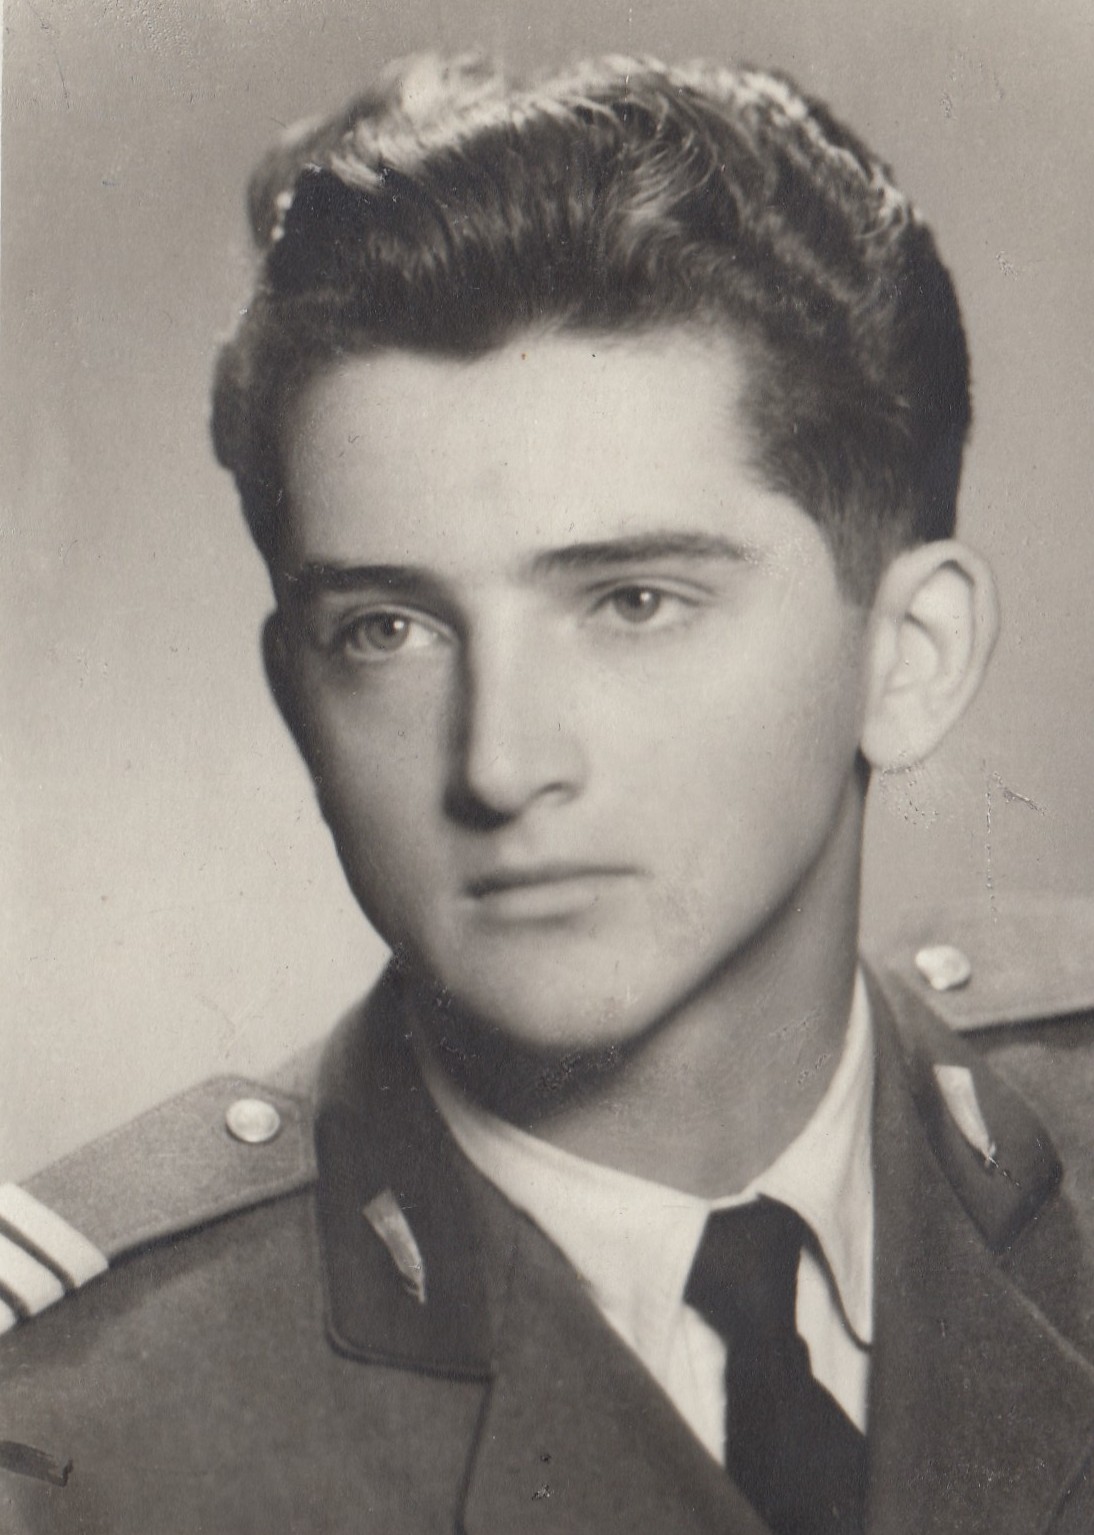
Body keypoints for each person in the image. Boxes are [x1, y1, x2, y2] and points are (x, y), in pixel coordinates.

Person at [2, 52, 1092, 1535]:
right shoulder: (73, 1434)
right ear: (296, 693)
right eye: (387, 630)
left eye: (633, 602)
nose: (500, 765)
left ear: (908, 657)